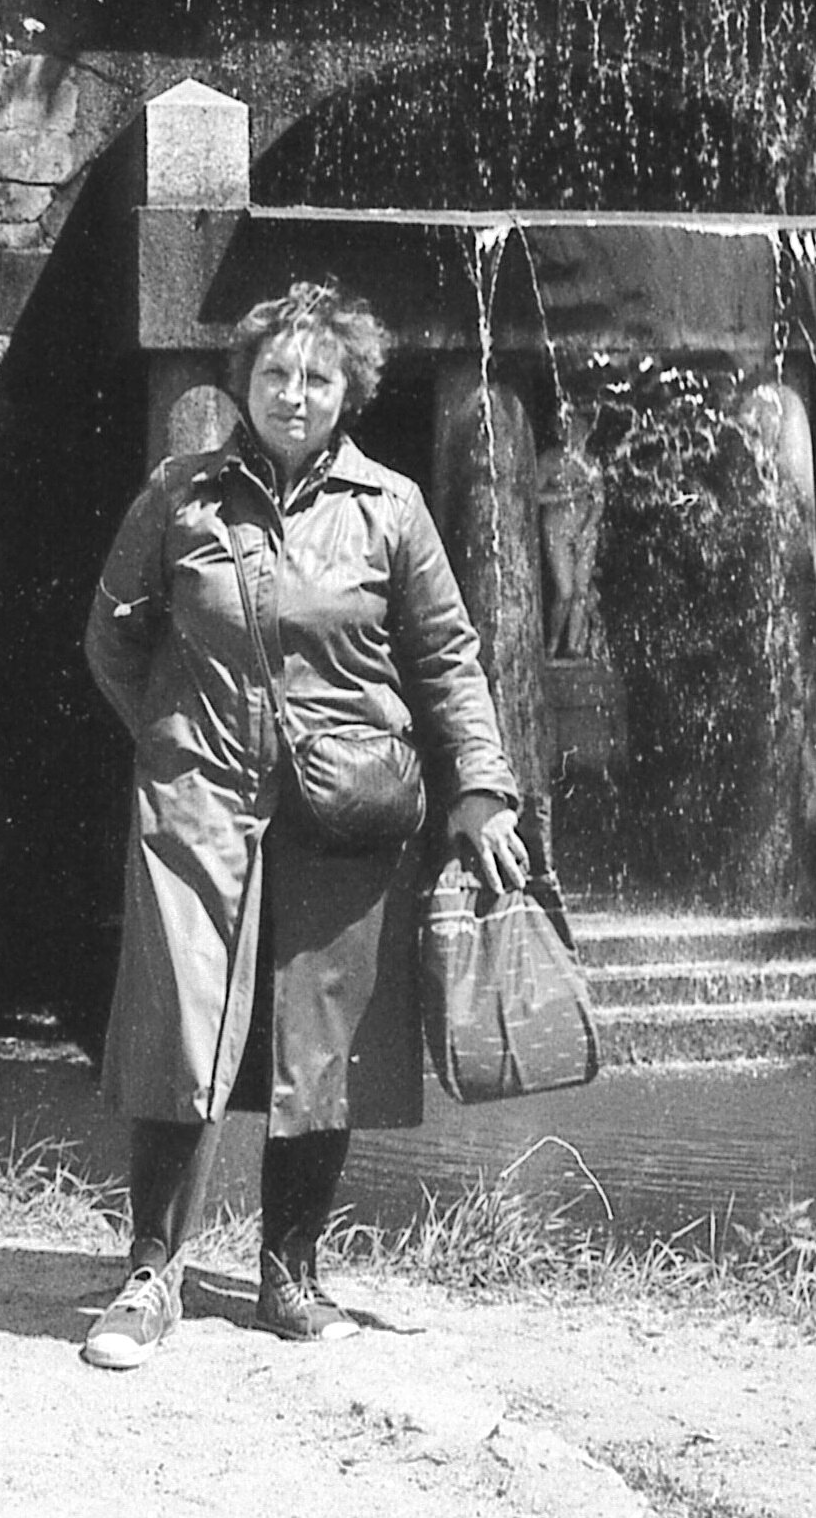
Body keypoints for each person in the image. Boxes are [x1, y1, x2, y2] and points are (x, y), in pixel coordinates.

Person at [79, 279, 527, 1368]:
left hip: (346, 808)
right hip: (199, 801)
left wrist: (480, 786)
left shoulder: (392, 508)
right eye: (274, 372)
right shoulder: (179, 495)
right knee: (182, 1022)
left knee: (321, 1037)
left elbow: (446, 658)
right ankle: (150, 1274)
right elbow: (112, 636)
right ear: (243, 380)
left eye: (316, 376)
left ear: (348, 390)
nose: (293, 392)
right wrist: (177, 738)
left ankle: (290, 1274)